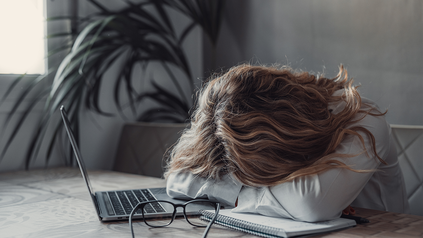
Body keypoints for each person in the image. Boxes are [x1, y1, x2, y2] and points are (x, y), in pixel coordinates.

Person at [164, 64, 409, 222]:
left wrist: (236, 196)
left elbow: (311, 204)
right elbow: (179, 177)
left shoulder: (364, 117)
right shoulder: (230, 133)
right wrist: (261, 196)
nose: (253, 179)